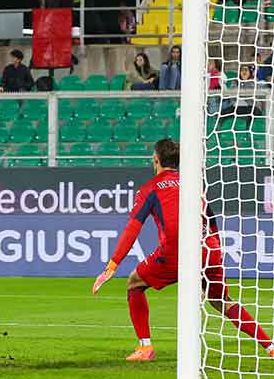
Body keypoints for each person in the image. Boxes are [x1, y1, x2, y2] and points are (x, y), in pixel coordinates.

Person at [92, 139, 274, 361]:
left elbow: (133, 228)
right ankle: (269, 345)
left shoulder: (150, 188)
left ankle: (145, 348)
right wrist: (215, 251)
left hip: (176, 252)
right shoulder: (193, 184)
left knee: (134, 283)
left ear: (156, 159)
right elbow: (211, 219)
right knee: (223, 301)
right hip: (209, 248)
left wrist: (112, 266)